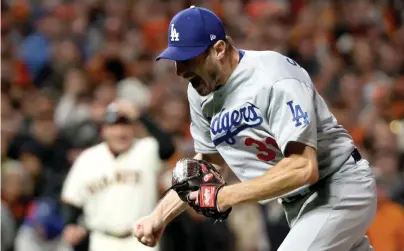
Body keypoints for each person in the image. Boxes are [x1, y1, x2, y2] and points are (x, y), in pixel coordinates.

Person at [133, 6, 377, 251]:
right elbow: (209, 163)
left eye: (188, 59)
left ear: (219, 49)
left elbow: (304, 167)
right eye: (176, 59)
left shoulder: (274, 77)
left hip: (338, 185)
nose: (179, 71)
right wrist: (159, 216)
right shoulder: (200, 90)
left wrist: (228, 196)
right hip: (298, 204)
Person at [61, 100, 165, 251]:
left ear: (133, 128)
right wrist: (70, 224)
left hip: (142, 240)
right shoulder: (88, 158)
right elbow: (71, 200)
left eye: (125, 126)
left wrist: (140, 116)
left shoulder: (146, 149)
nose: (120, 132)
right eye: (114, 126)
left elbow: (168, 146)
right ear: (104, 130)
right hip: (102, 240)